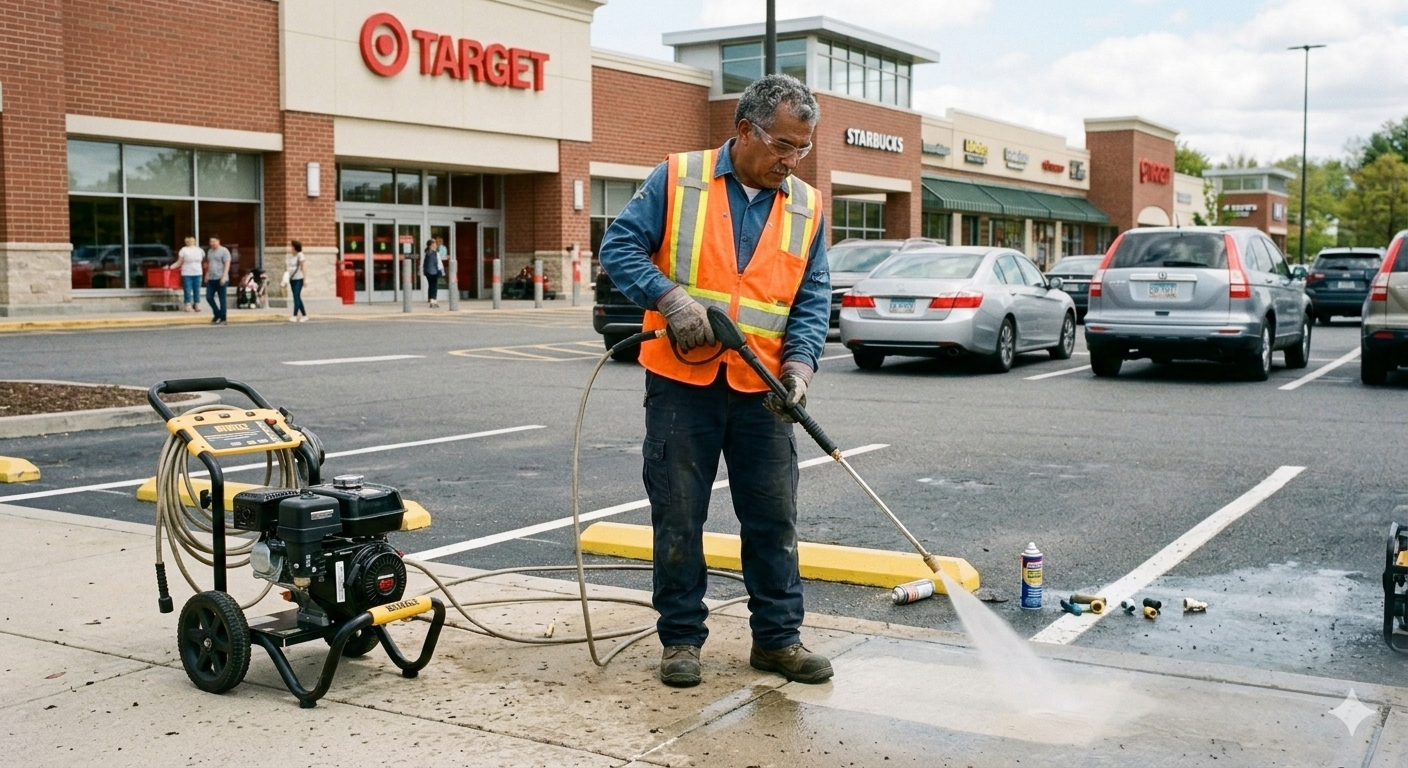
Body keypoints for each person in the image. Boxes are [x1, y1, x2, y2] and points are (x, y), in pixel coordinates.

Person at [597, 74, 831, 688]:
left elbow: (811, 300)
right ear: (744, 129)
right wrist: (671, 300)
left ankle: (778, 640)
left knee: (773, 520)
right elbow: (619, 246)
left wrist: (800, 368)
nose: (791, 160)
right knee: (679, 515)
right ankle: (681, 641)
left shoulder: (805, 206)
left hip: (763, 393)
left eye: (802, 149)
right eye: (782, 145)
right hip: (683, 384)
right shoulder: (678, 177)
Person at [169, 236, 205, 312]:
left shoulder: (188, 250)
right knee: (193, 289)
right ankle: (194, 304)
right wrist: (171, 267)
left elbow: (179, 262)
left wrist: (170, 267)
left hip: (192, 272)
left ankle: (191, 304)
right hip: (191, 272)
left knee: (190, 289)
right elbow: (179, 262)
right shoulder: (197, 250)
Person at [204, 236, 231, 324]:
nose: (212, 243)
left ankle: (223, 317)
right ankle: (217, 313)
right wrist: (207, 274)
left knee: (222, 299)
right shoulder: (210, 251)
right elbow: (209, 264)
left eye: (214, 241)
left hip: (221, 278)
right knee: (209, 297)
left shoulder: (224, 251)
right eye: (211, 242)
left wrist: (224, 276)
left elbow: (227, 264)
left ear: (218, 241)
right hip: (212, 278)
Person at [284, 239, 308, 322]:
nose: (291, 249)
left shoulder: (300, 255)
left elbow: (303, 267)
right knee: (297, 297)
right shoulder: (292, 257)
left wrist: (305, 279)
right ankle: (304, 315)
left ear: (295, 248)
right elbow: (289, 269)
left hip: (299, 279)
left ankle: (294, 315)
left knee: (296, 296)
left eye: (292, 247)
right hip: (292, 279)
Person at [423, 238, 444, 308]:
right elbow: (437, 263)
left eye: (435, 244)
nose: (435, 246)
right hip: (434, 272)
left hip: (428, 272)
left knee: (431, 285)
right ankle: (433, 300)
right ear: (430, 246)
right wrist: (440, 271)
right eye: (433, 244)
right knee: (434, 286)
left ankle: (431, 300)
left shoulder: (427, 253)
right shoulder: (433, 253)